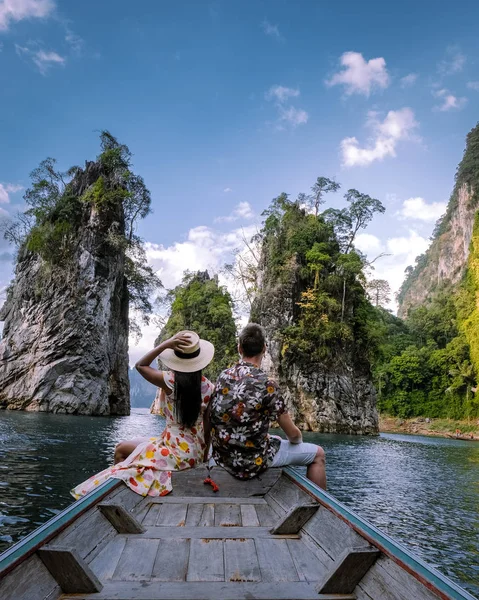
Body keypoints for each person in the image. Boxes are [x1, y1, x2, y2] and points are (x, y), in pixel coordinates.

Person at [71, 331, 215, 499]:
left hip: (174, 452)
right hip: (193, 453)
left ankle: (115, 495)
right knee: (124, 449)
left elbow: (140, 365)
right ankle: (118, 491)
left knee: (120, 450)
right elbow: (207, 428)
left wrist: (165, 344)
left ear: (178, 360)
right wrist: (203, 459)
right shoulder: (209, 387)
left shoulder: (169, 380)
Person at [208, 323, 326, 489]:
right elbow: (292, 434)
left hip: (223, 457)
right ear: (264, 348)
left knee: (275, 439)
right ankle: (320, 510)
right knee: (318, 455)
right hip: (252, 462)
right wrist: (298, 439)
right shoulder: (267, 385)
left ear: (239, 348)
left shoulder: (223, 376)